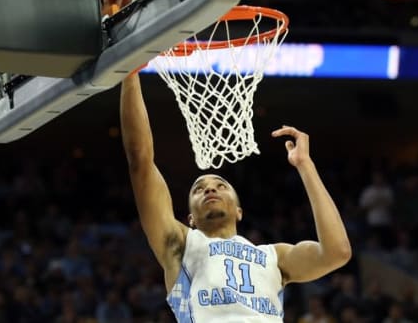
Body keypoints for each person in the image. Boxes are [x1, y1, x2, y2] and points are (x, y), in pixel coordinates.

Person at [119, 70, 352, 322]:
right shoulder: (181, 244)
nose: (210, 189)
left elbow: (337, 252)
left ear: (239, 211)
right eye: (199, 189)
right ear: (191, 220)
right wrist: (130, 73)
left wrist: (305, 165)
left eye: (221, 185)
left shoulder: (275, 256)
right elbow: (140, 161)